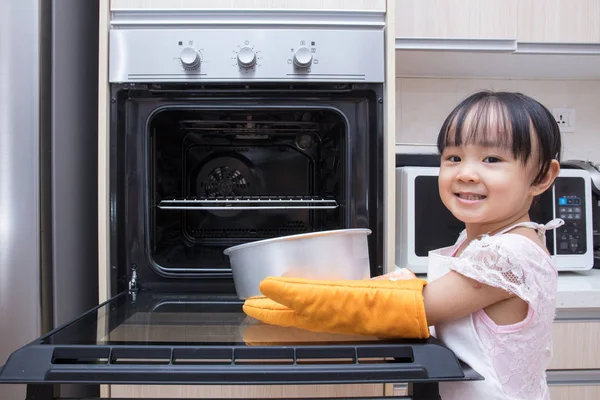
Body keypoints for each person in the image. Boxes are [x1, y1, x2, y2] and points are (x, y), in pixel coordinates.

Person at [243, 90, 563, 400]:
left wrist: (307, 306)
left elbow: (416, 310)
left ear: (541, 177)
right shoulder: (475, 241)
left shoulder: (510, 254)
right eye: (453, 157)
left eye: (492, 159)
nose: (466, 173)